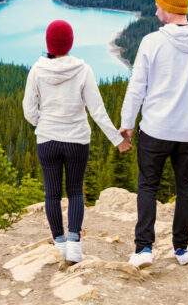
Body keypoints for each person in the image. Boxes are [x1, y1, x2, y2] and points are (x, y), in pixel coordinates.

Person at [119, 0, 188, 268]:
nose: (156, 11)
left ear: (168, 9)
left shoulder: (153, 42)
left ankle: (143, 249)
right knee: (187, 188)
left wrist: (127, 124)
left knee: (148, 187)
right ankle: (181, 248)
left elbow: (136, 87)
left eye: (158, 6)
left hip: (155, 130)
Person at [23, 19, 131, 264]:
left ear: (48, 43)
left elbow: (29, 111)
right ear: (70, 43)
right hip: (77, 141)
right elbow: (97, 111)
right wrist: (118, 140)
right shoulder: (83, 70)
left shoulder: (37, 70)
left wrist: (46, 123)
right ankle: (74, 244)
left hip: (47, 140)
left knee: (51, 194)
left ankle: (59, 243)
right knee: (74, 192)